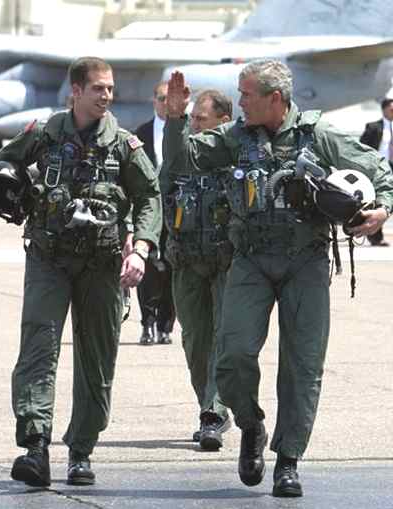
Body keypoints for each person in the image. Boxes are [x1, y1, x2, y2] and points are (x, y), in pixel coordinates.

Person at [163, 60, 393, 497]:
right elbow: (184, 161)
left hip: (304, 261)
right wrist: (176, 120)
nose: (241, 102)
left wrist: (382, 206)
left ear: (275, 99)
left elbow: (379, 171)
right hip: (249, 260)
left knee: (302, 366)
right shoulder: (235, 138)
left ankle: (288, 461)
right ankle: (250, 425)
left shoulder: (317, 135)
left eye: (247, 95)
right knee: (231, 357)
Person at [0, 56, 162, 488]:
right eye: (98, 89)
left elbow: (150, 198)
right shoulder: (45, 133)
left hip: (104, 265)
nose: (107, 96)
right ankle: (35, 447)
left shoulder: (124, 146)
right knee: (39, 347)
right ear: (75, 91)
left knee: (97, 359)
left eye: (110, 88)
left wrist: (141, 249)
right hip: (49, 259)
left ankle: (81, 452)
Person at [162, 89, 233, 450]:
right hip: (187, 263)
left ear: (224, 122)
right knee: (196, 341)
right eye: (191, 120)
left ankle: (213, 413)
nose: (194, 126)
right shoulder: (181, 156)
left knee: (224, 337)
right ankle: (209, 406)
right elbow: (161, 189)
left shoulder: (236, 153)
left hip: (226, 265)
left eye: (200, 120)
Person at [134, 81, 176, 345]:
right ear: (154, 101)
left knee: (172, 268)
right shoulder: (141, 133)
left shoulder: (185, 134)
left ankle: (165, 326)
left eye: (169, 99)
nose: (165, 103)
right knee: (147, 268)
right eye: (161, 98)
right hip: (149, 211)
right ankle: (147, 323)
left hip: (176, 212)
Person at [360, 97, 393, 246]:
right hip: (380, 170)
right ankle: (376, 237)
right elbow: (361, 147)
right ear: (385, 109)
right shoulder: (373, 127)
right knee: (378, 202)